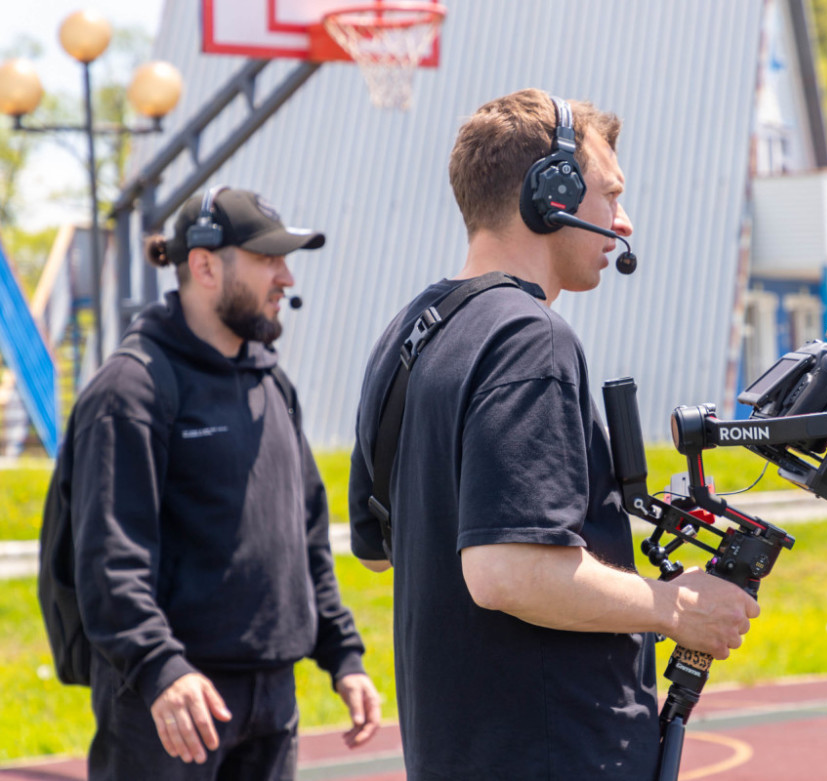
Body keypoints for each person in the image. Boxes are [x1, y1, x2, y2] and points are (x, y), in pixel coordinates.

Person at [348, 88, 760, 780]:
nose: (623, 222)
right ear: (552, 194)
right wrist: (673, 606)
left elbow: (377, 551)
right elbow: (506, 570)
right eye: (610, 195)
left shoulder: (412, 332)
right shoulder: (530, 338)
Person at [69, 187, 381, 780]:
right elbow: (109, 560)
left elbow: (305, 536)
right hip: (173, 705)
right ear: (205, 265)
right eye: (268, 259)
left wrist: (344, 657)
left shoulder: (273, 385)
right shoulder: (130, 390)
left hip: (272, 702)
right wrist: (161, 669)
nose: (286, 277)